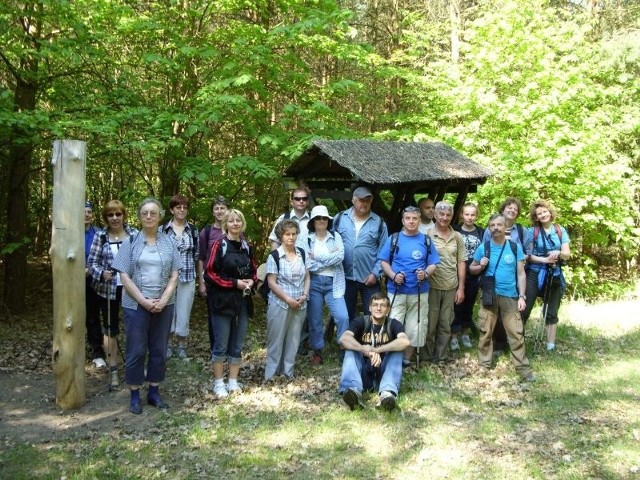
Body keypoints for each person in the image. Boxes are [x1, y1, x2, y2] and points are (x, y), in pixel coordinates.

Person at [112, 197, 182, 414]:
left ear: (160, 216)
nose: (149, 216)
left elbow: (175, 274)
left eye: (153, 213)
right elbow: (124, 275)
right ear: (139, 216)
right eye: (145, 213)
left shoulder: (169, 242)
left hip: (164, 304)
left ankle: (154, 392)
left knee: (159, 349)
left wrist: (163, 300)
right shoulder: (130, 241)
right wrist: (143, 300)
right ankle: (134, 395)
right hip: (135, 305)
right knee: (136, 350)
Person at [470, 214, 535, 382]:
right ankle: (484, 365)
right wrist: (480, 265)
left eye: (499, 225)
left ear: (505, 227)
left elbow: (521, 274)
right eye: (492, 225)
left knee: (516, 332)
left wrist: (522, 296)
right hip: (489, 295)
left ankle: (523, 368)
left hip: (510, 295)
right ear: (489, 228)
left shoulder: (514, 247)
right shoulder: (483, 247)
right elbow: (472, 268)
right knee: (485, 330)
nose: (496, 228)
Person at [205, 209, 258, 398]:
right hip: (222, 301)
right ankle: (219, 383)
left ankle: (233, 381)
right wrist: (234, 283)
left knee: (238, 343)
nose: (235, 224)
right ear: (226, 224)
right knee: (221, 343)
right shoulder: (219, 245)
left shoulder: (246, 246)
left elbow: (253, 270)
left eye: (238, 221)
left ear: (242, 224)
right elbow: (210, 273)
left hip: (243, 301)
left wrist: (252, 281)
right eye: (231, 221)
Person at [379, 205, 439, 368]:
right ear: (403, 220)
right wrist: (393, 275)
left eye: (414, 218)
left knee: (416, 326)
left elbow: (433, 263)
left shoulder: (426, 240)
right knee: (394, 323)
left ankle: (407, 359)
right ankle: (393, 357)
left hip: (419, 291)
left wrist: (425, 274)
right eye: (408, 218)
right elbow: (384, 261)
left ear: (419, 220)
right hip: (396, 290)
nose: (411, 221)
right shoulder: (394, 238)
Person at [88, 200, 138, 387]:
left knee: (135, 326)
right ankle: (114, 368)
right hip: (108, 290)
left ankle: (135, 366)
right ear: (106, 217)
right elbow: (92, 263)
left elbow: (143, 257)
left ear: (124, 215)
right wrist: (101, 273)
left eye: (118, 214)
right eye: (111, 215)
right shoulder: (100, 236)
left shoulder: (134, 234)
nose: (115, 218)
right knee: (111, 329)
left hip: (131, 289)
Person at [338, 293, 410, 411]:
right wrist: (365, 350)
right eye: (375, 305)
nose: (378, 308)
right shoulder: (361, 321)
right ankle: (353, 391)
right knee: (350, 350)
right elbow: (344, 339)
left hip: (384, 374)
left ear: (388, 309)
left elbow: (405, 342)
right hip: (363, 374)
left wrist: (377, 350)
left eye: (382, 305)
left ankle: (387, 394)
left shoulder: (393, 324)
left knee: (398, 352)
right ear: (369, 308)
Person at [482, 197, 531, 355]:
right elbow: (484, 250)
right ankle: (498, 342)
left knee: (515, 311)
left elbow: (528, 253)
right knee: (493, 311)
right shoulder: (490, 229)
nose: (512, 210)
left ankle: (514, 342)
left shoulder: (523, 231)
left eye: (515, 209)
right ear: (502, 210)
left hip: (516, 275)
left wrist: (517, 257)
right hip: (494, 277)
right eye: (509, 208)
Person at [264, 219, 310, 382]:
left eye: (293, 234)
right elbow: (271, 282)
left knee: (293, 339)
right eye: (287, 234)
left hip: (300, 303)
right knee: (276, 340)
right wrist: (288, 299)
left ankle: (288, 373)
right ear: (281, 236)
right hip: (280, 304)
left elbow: (307, 276)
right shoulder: (275, 256)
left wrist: (304, 295)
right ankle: (270, 375)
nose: (291, 237)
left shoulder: (302, 253)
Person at [333, 186, 388, 320]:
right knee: (346, 314)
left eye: (367, 200)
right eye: (360, 200)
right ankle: (350, 340)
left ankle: (371, 340)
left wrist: (375, 273)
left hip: (369, 278)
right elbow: (330, 242)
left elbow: (384, 252)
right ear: (353, 200)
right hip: (345, 277)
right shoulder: (340, 218)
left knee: (374, 314)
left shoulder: (379, 223)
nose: (363, 203)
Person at [522, 199, 570, 351]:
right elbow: (527, 255)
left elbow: (567, 254)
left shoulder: (560, 230)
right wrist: (544, 259)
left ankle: (550, 345)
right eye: (539, 214)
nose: (543, 215)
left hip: (554, 273)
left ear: (550, 212)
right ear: (535, 217)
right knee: (525, 307)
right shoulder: (532, 232)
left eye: (545, 211)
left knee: (551, 309)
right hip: (534, 273)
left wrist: (559, 253)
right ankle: (517, 342)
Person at [306, 205, 349, 365]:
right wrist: (327, 258)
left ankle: (344, 347)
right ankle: (317, 351)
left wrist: (317, 256)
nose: (322, 221)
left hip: (334, 283)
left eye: (324, 218)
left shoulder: (335, 236)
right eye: (318, 218)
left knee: (343, 317)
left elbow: (340, 257)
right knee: (315, 319)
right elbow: (308, 264)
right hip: (314, 282)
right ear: (313, 221)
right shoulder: (307, 239)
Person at [425, 201, 466, 363]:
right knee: (430, 323)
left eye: (448, 215)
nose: (444, 217)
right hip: (432, 286)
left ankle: (440, 356)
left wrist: (461, 288)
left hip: (451, 286)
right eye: (441, 214)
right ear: (435, 215)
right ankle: (426, 356)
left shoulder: (457, 236)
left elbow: (461, 262)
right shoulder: (427, 235)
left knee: (445, 323)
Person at [161, 194, 201, 360]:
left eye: (184, 207)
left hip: (187, 276)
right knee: (168, 311)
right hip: (167, 278)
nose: (182, 210)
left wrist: (200, 278)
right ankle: (168, 344)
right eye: (178, 207)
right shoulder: (163, 229)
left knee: (184, 312)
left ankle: (182, 346)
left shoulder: (193, 230)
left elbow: (197, 253)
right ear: (172, 209)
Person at [197, 195, 229, 358]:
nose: (219, 211)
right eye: (216, 208)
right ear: (212, 211)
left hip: (231, 282)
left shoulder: (234, 229)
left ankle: (229, 349)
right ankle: (215, 350)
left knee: (230, 315)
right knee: (213, 317)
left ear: (227, 210)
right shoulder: (207, 232)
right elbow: (201, 258)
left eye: (222, 208)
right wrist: (201, 283)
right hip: (212, 282)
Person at [452, 202, 484, 349]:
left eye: (473, 214)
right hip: (456, 274)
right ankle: (453, 335)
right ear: (461, 215)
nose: (470, 217)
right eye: (467, 214)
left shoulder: (481, 232)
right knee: (456, 305)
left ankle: (465, 334)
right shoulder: (455, 230)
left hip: (474, 274)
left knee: (469, 304)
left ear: (476, 215)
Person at [84, 201, 105, 369]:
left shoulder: (99, 233)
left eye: (89, 211)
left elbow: (103, 257)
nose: (86, 214)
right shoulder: (71, 233)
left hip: (95, 281)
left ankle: (97, 351)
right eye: (83, 211)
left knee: (93, 317)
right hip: (72, 282)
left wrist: (91, 270)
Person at [268, 187, 311, 251]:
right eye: (297, 199)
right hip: (287, 260)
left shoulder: (313, 219)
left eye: (304, 199)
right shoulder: (283, 218)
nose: (301, 201)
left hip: (309, 260)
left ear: (307, 202)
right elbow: (275, 240)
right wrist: (277, 259)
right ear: (292, 202)